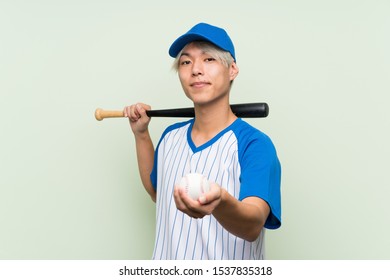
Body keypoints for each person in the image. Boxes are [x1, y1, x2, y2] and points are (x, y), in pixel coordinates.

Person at [123, 22, 281, 260]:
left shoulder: (255, 145)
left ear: (232, 70)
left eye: (209, 59)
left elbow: (252, 226)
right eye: (186, 62)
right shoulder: (170, 137)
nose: (195, 69)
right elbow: (158, 192)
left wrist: (219, 202)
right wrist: (141, 135)